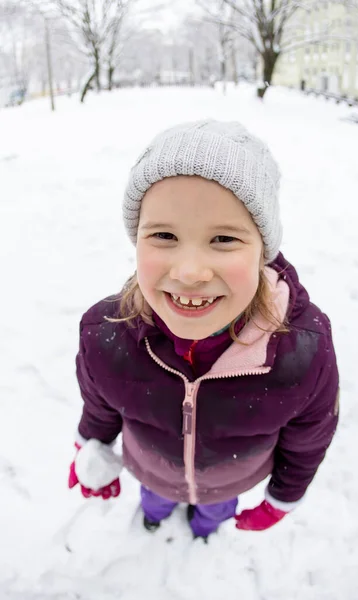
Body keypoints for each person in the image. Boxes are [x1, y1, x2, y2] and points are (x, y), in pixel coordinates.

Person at [68, 120, 339, 542]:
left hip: (230, 482)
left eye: (224, 240)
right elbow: (99, 408)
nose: (191, 272)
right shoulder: (106, 337)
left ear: (262, 251)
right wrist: (90, 447)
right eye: (163, 234)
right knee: (155, 499)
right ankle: (155, 514)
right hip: (152, 470)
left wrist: (282, 498)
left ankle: (205, 527)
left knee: (213, 511)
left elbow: (308, 440)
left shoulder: (304, 352)